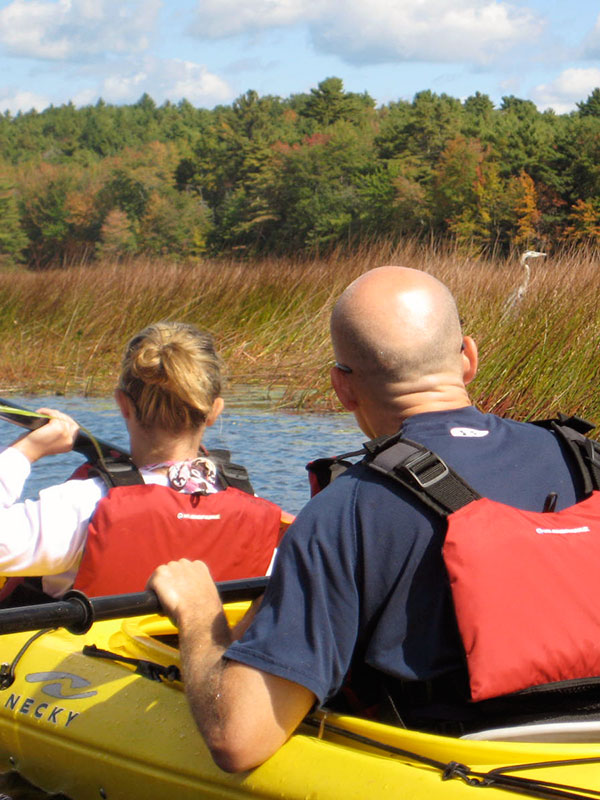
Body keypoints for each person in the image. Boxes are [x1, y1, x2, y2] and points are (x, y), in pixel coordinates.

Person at [148, 267, 584, 772]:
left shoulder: (346, 511)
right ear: (468, 357)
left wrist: (202, 616)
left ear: (342, 387)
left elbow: (239, 740)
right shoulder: (586, 460)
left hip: (466, 766)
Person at [0, 321, 283, 600]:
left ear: (123, 404)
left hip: (91, 644)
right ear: (214, 411)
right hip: (201, 645)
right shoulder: (252, 508)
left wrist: (25, 451)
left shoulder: (84, 506)